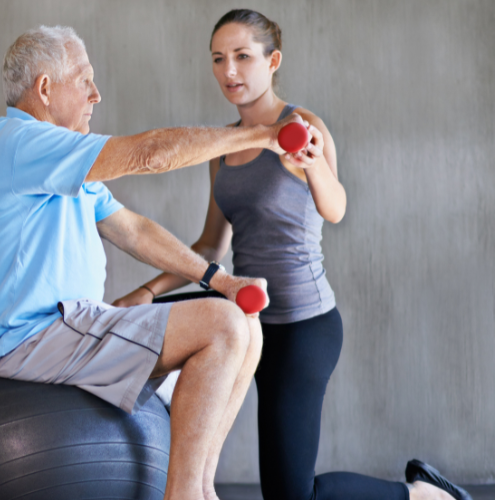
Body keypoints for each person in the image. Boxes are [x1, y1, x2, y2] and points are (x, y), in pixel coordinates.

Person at [112, 9, 472, 500]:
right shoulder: (221, 150)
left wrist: (312, 164)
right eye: (219, 59)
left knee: (290, 495)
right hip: (245, 322)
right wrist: (144, 293)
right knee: (138, 335)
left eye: (242, 56)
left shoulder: (301, 127)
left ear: (272, 60)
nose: (229, 71)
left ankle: (422, 494)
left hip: (304, 328)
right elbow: (209, 248)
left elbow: (337, 208)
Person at [0, 25, 313, 500]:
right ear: (45, 88)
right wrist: (260, 136)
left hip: (70, 326)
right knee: (222, 327)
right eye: (84, 81)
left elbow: (133, 230)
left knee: (246, 326)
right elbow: (150, 154)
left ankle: (201, 489)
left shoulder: (57, 162)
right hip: (34, 335)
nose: (96, 95)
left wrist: (218, 278)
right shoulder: (20, 144)